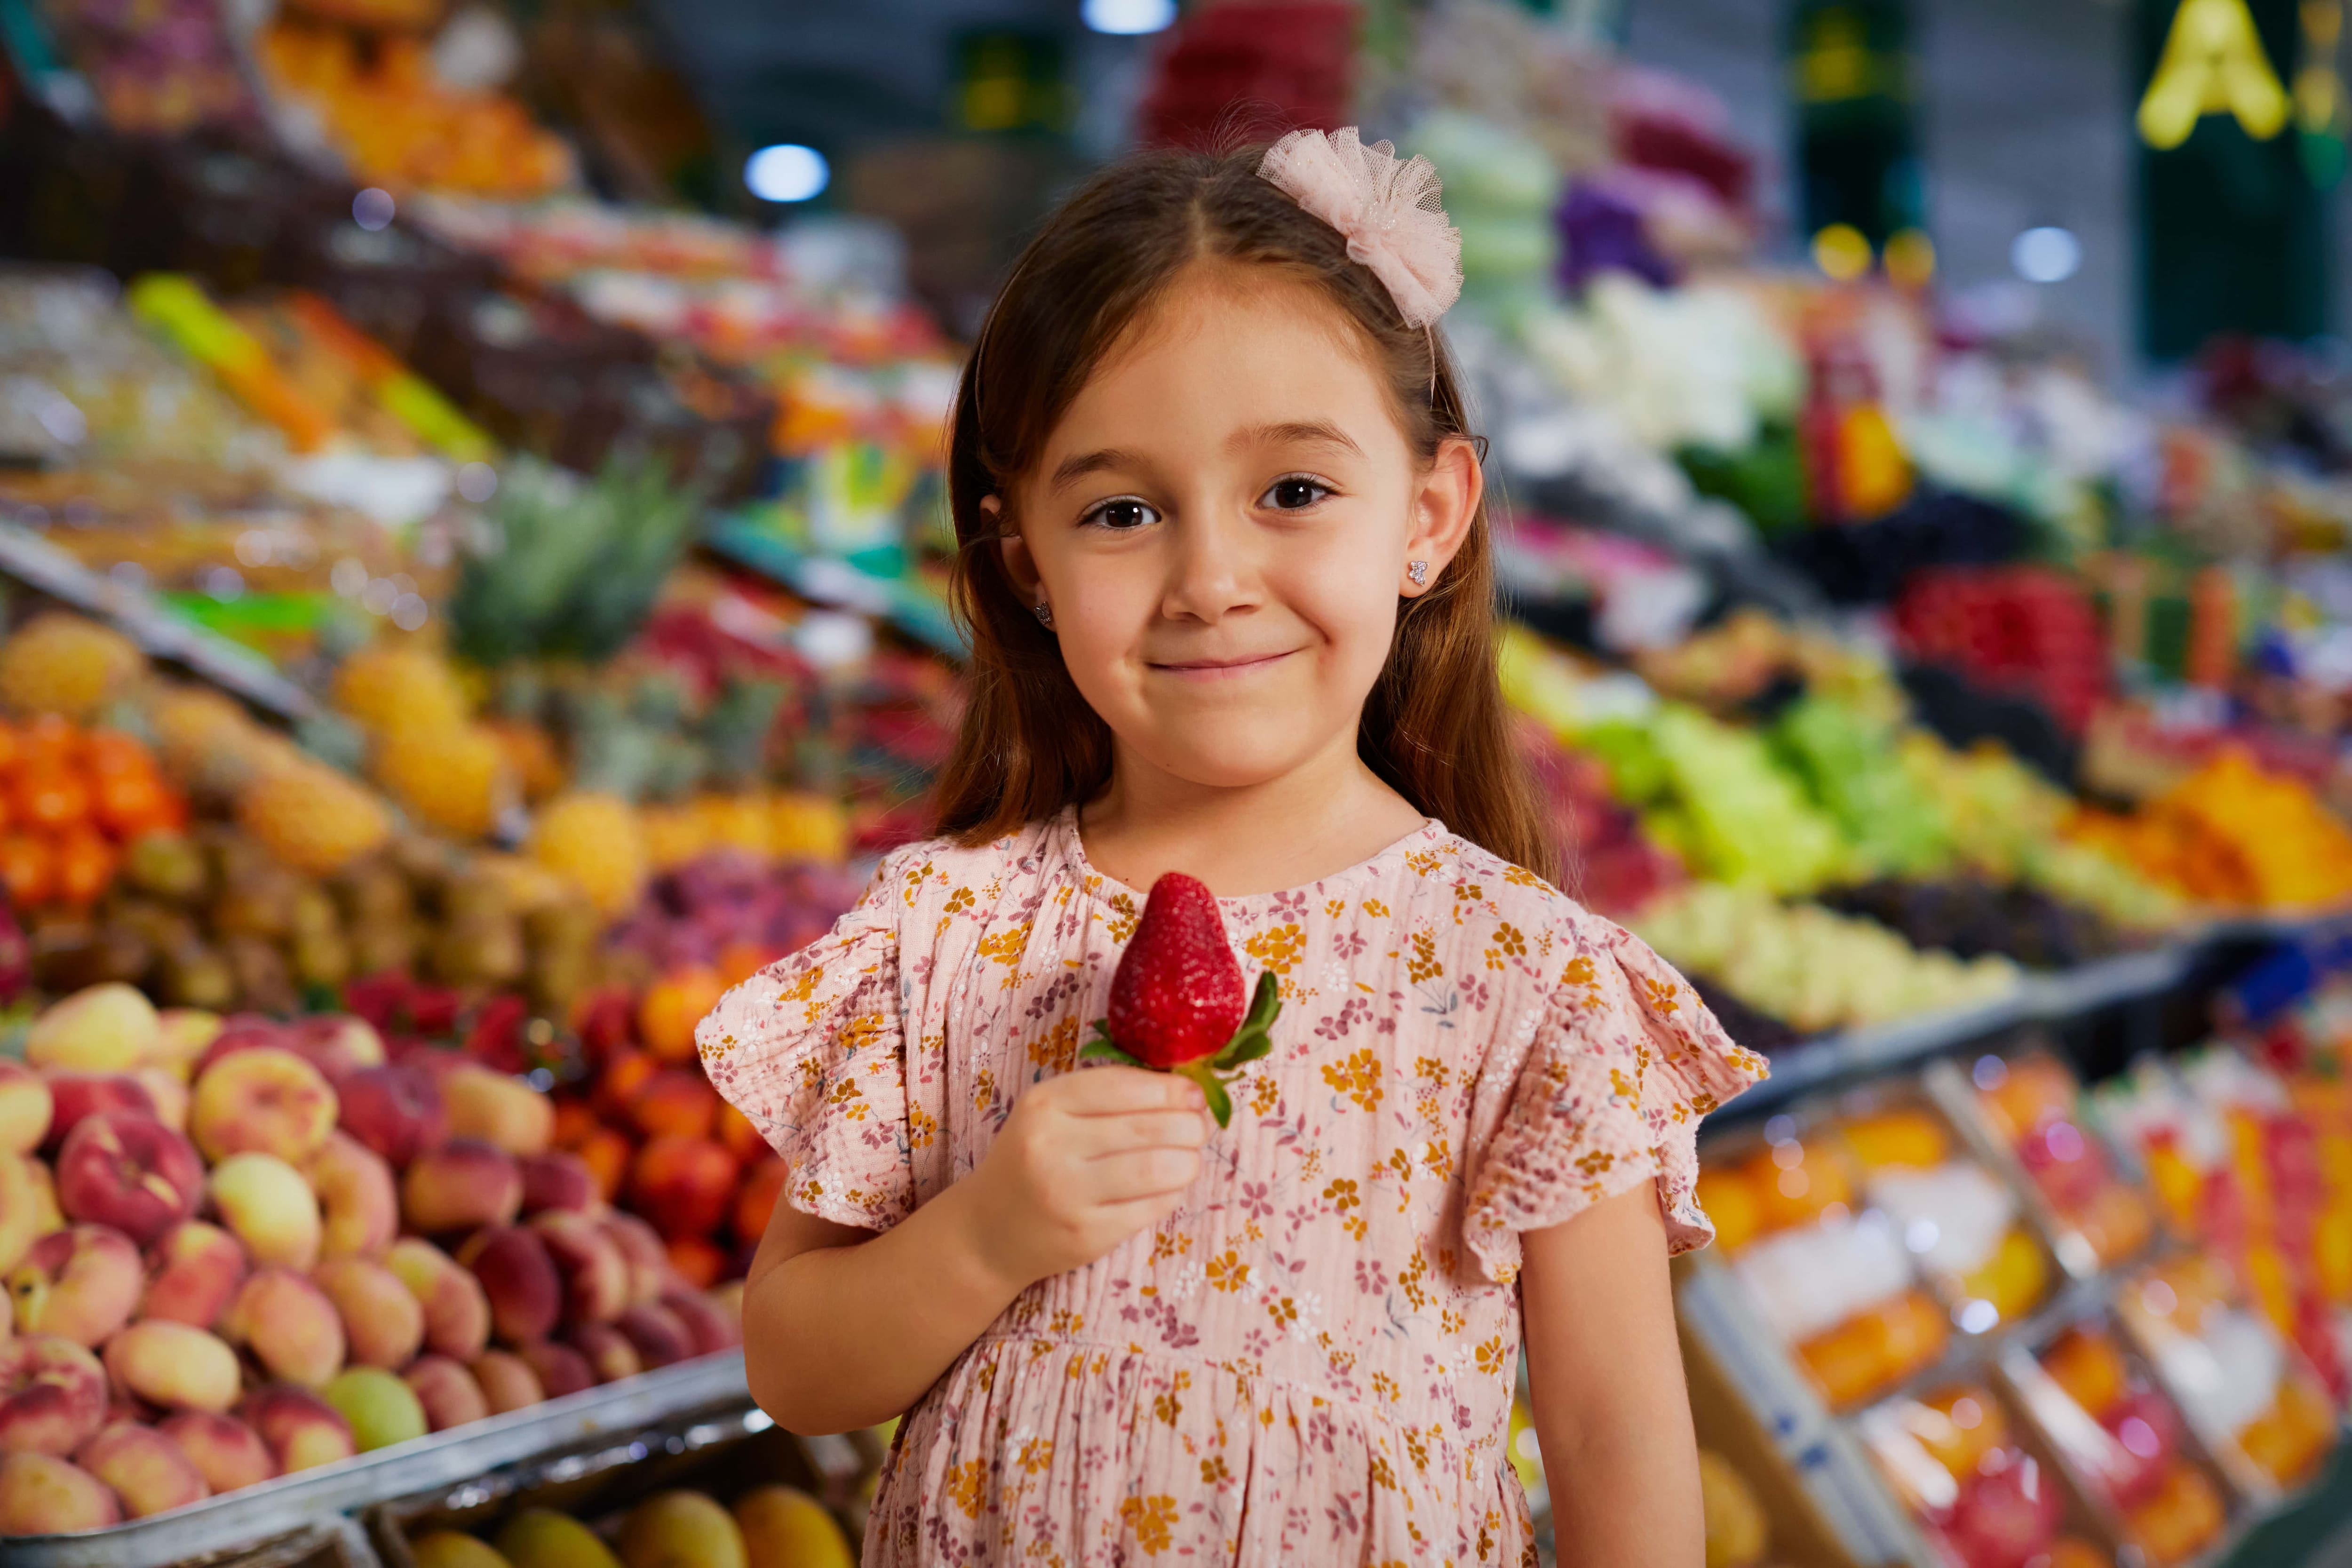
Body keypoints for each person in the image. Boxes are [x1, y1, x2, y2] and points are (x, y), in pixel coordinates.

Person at [699, 128, 1767, 1567]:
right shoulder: (943, 934)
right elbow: (798, 1366)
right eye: (1122, 512)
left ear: (1431, 516)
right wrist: (988, 1234)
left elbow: (1615, 1448)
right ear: (1026, 560)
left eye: (1294, 493)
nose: (1210, 581)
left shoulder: (1526, 979)